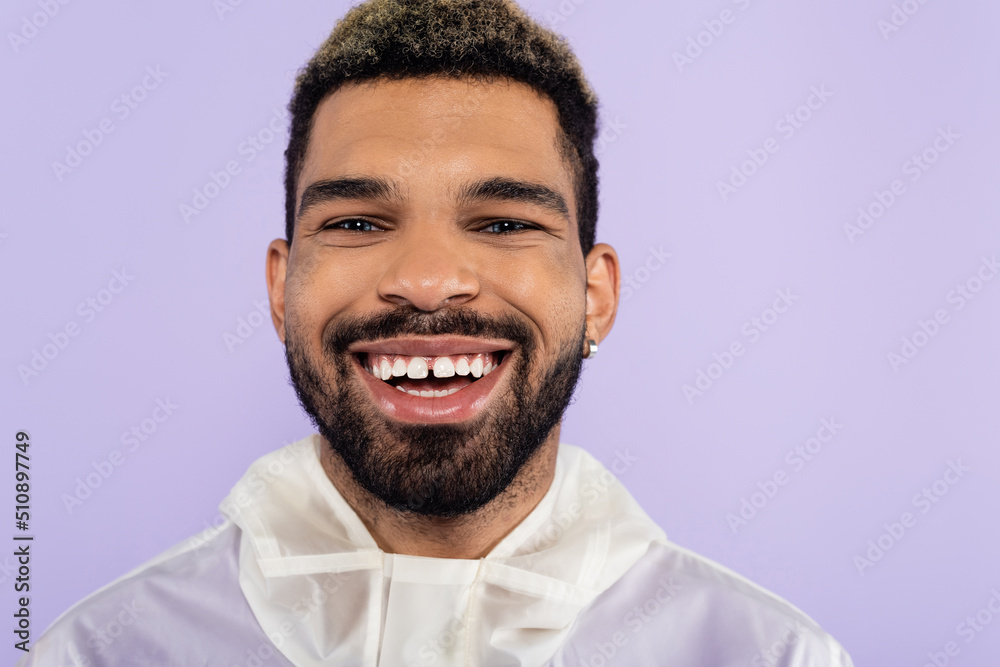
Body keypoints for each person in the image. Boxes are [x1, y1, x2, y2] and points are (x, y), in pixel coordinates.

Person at [21, 0, 853, 664]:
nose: (425, 280)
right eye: (355, 223)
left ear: (595, 295)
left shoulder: (769, 656)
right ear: (280, 288)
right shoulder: (98, 652)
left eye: (503, 223)